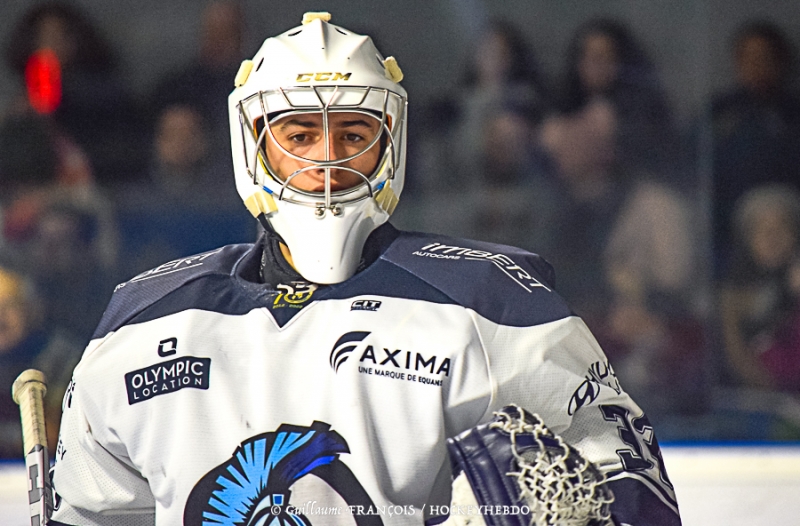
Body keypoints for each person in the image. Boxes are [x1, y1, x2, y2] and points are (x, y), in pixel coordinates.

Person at [50, 13, 681, 526]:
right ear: (252, 147)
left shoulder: (493, 304)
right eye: (299, 136)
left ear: (391, 143)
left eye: (353, 134)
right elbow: (93, 512)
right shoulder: (138, 323)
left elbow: (634, 489)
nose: (327, 161)